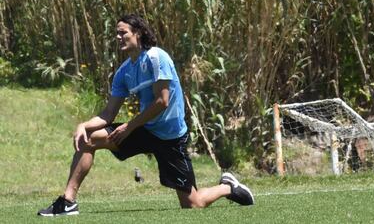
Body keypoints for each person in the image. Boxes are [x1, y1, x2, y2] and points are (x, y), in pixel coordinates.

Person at [37, 14, 254, 216]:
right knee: (89, 138)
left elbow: (162, 101)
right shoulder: (123, 72)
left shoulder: (156, 58)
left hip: (170, 137)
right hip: (144, 129)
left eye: (123, 32)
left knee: (192, 204)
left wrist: (129, 126)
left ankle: (227, 187)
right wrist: (84, 125)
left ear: (138, 33)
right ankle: (68, 202)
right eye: (117, 33)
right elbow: (109, 113)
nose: (118, 37)